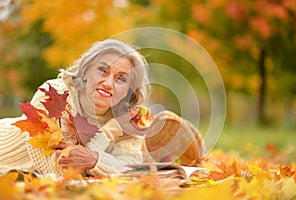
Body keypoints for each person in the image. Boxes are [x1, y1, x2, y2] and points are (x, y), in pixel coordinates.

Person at [0, 39, 206, 177]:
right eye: (102, 70)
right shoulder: (54, 95)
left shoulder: (128, 122)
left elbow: (129, 171)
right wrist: (109, 136)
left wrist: (95, 160)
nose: (108, 83)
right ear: (86, 71)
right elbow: (57, 173)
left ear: (128, 90)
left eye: (121, 78)